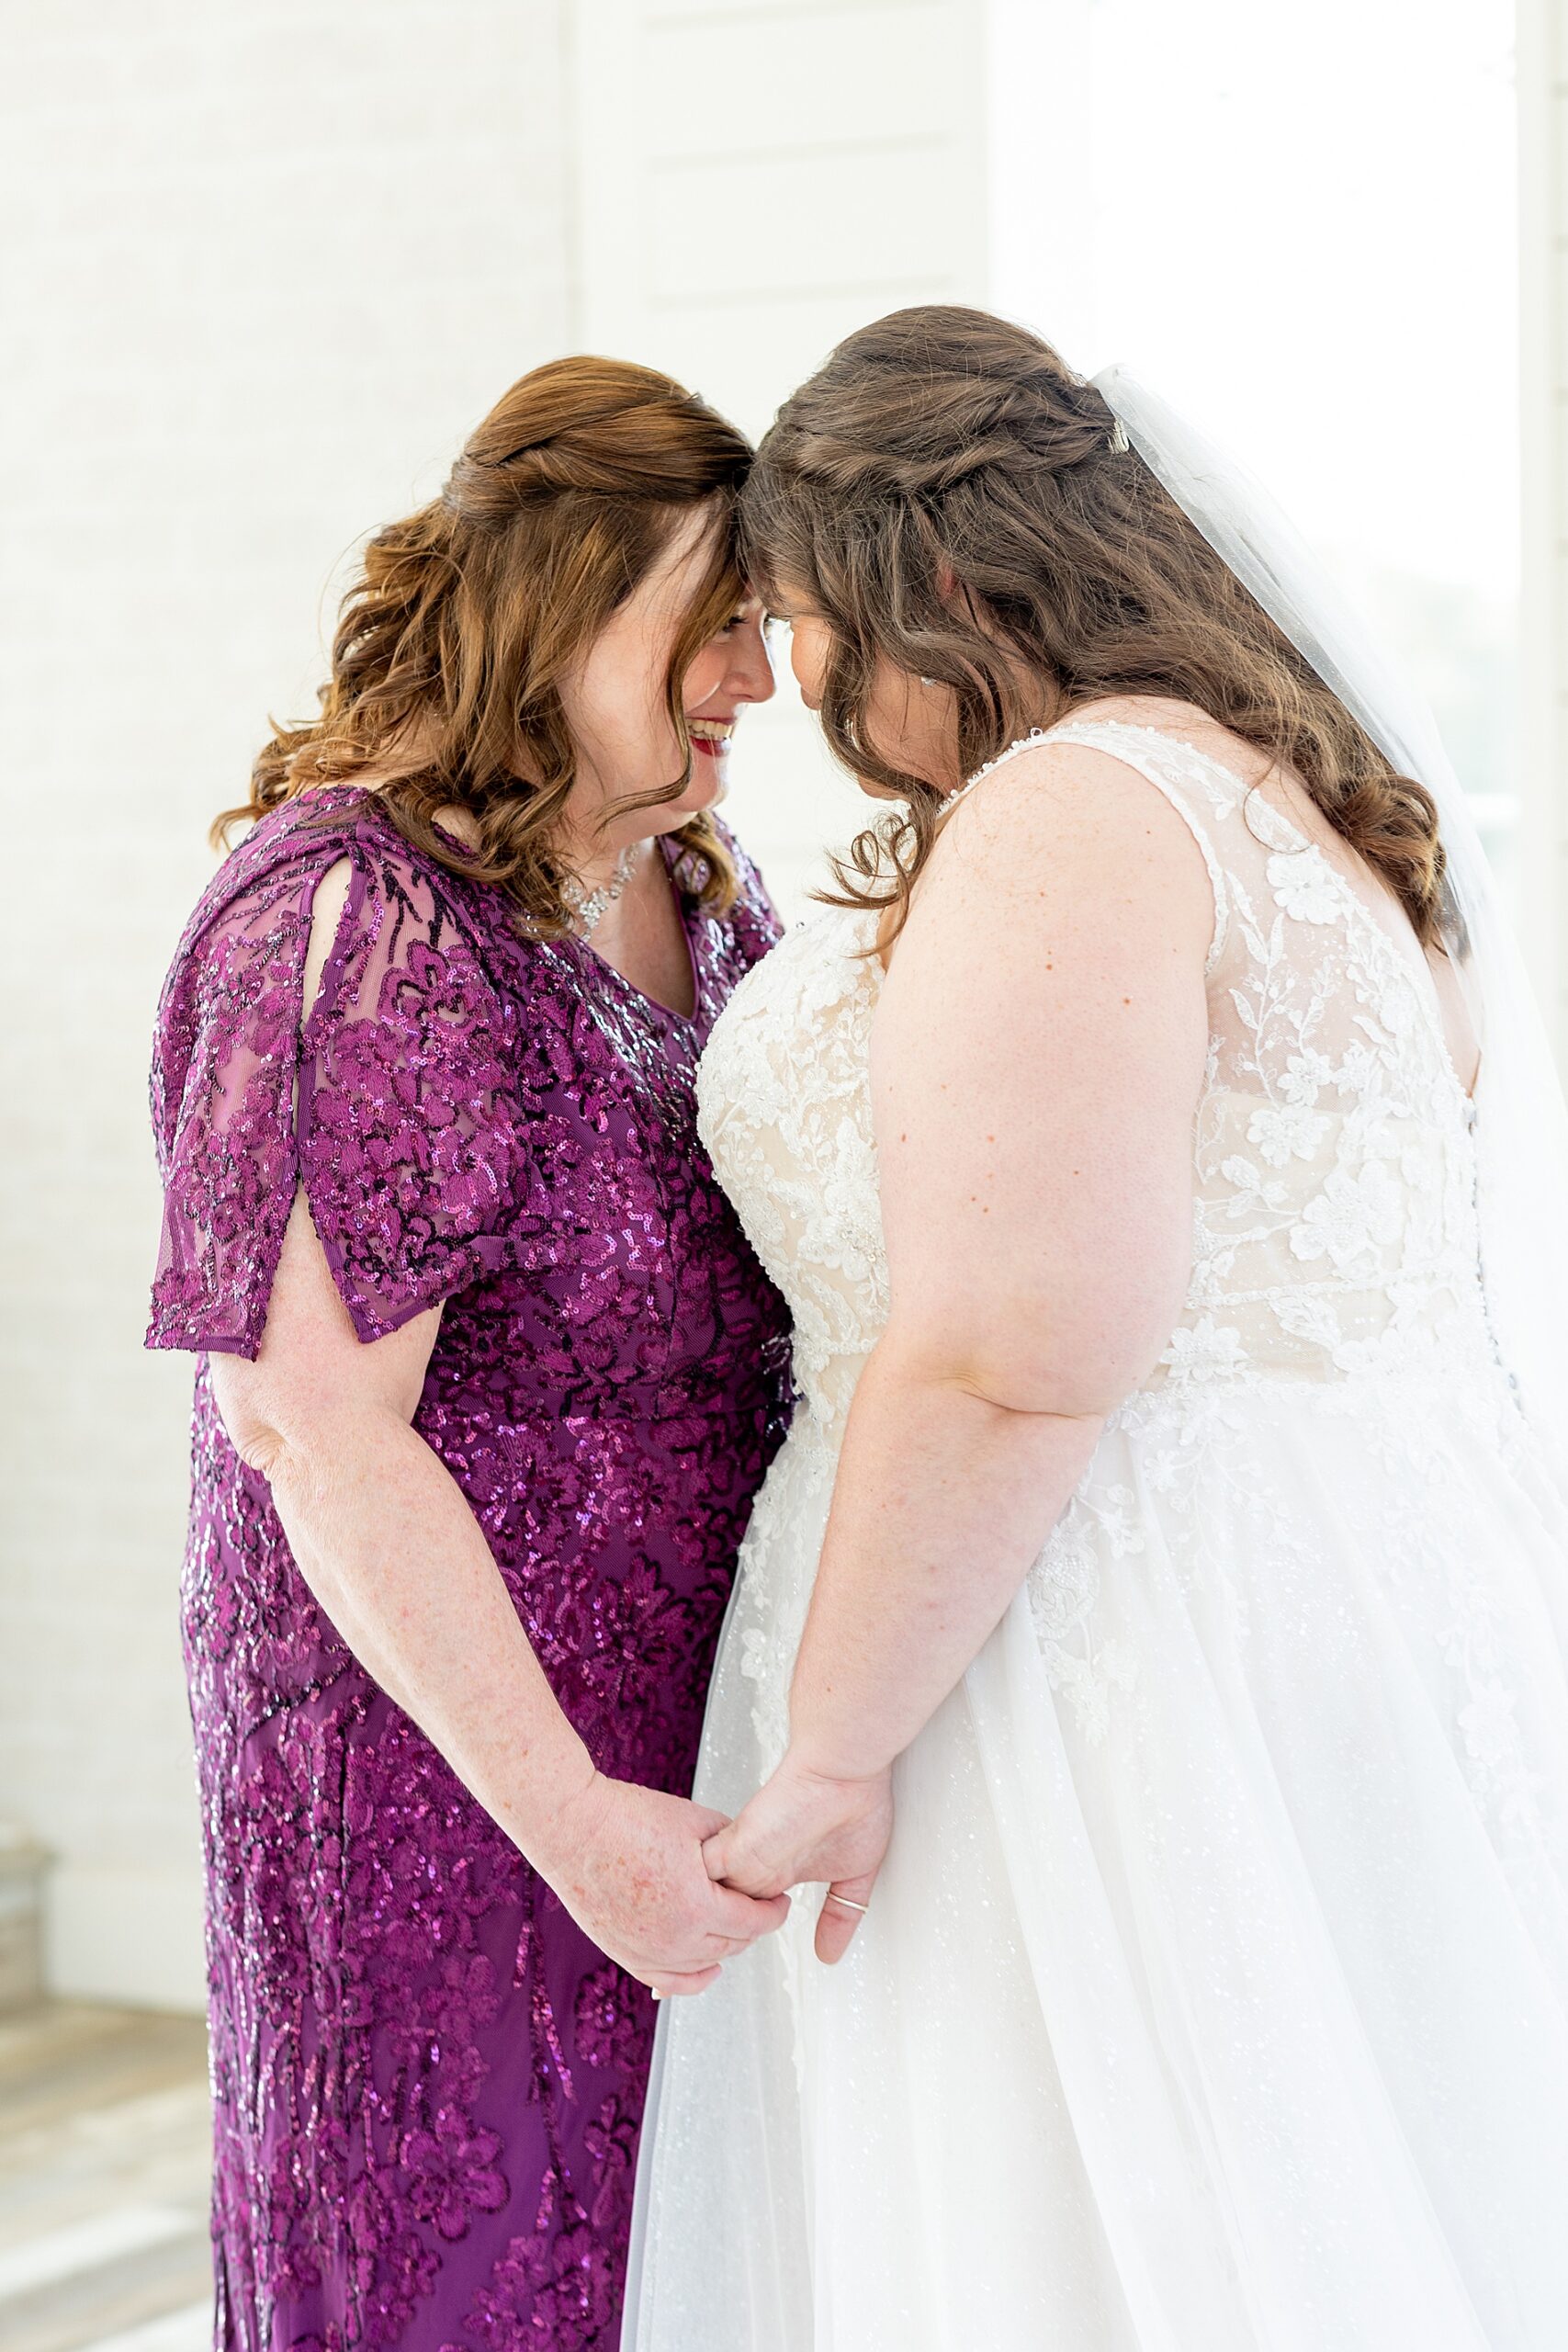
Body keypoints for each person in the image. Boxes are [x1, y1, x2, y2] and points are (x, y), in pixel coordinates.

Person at [625, 307, 1568, 2350]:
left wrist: (837, 1751)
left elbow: (1006, 1343)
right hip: (1357, 1599)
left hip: (1089, 1642)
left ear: (940, 585)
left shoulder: (1071, 809)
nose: (797, 688)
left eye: (807, 621)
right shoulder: (1308, 802)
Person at [145, 355, 792, 2352]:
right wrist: (574, 1817)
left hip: (694, 1742)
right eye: (721, 614)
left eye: (770, 625)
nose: (756, 679)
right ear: (561, 587)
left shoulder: (704, 878)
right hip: (451, 1772)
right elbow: (314, 1429)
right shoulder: (351, 913)